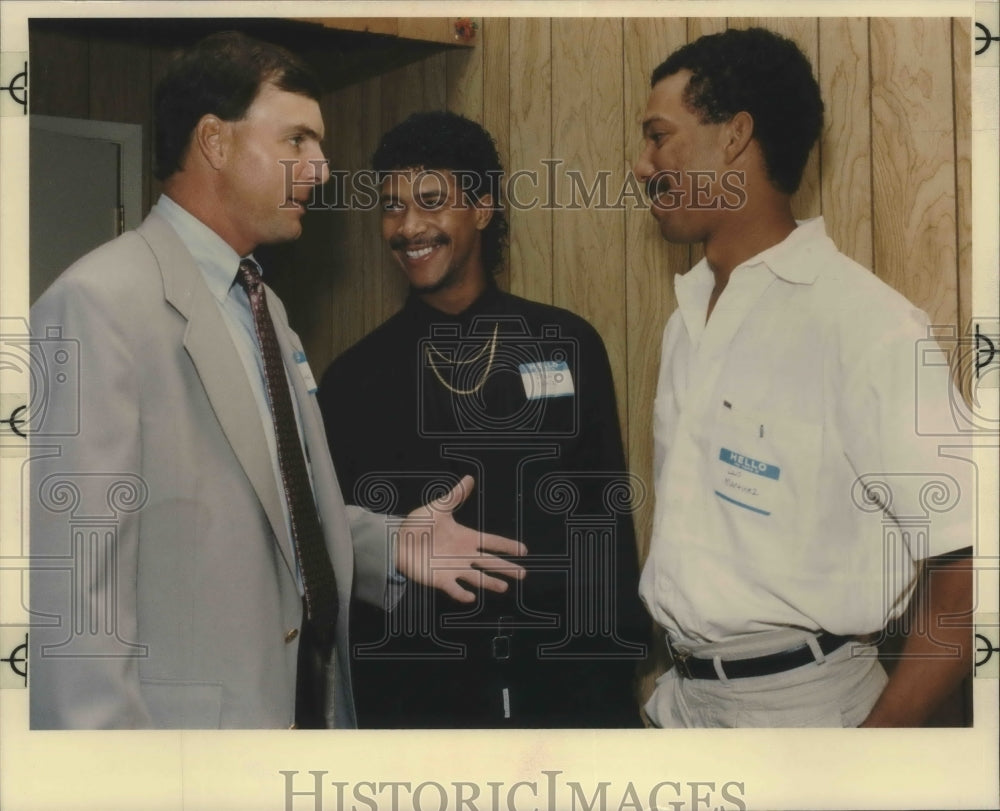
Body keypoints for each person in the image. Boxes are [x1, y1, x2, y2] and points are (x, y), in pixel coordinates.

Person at [28, 32, 524, 730]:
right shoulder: (96, 304)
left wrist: (389, 544)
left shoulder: (261, 304)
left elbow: (262, 510)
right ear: (215, 142)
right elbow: (75, 607)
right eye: (297, 140)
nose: (321, 169)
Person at [632, 27, 973, 728]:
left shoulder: (864, 325)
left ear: (734, 139)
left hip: (806, 714)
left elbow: (972, 575)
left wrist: (861, 759)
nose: (642, 165)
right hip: (684, 704)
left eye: (659, 136)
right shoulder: (686, 320)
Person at [319, 111, 649, 728]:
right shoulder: (351, 379)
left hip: (568, 699)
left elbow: (605, 518)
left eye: (432, 200)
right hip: (419, 710)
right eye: (391, 207)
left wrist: (616, 674)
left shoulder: (565, 343)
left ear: (482, 206)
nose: (408, 227)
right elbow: (336, 551)